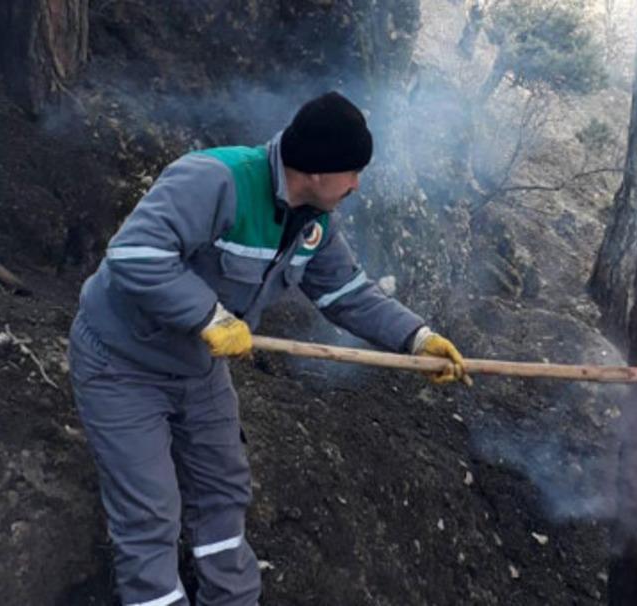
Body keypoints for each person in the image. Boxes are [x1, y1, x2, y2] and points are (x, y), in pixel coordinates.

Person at [67, 91, 468, 606]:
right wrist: (207, 315)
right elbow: (134, 252)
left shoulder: (314, 222)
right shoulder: (217, 179)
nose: (357, 184)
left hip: (198, 371)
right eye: (352, 172)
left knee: (223, 496)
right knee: (150, 515)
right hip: (123, 365)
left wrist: (418, 339)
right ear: (319, 171)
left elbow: (347, 294)